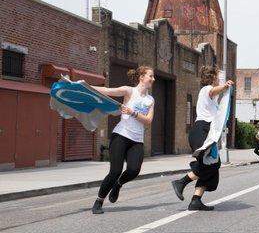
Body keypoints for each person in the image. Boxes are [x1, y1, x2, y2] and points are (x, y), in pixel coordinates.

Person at [90, 66, 155, 214]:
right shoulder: (129, 91)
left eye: (153, 76)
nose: (153, 79)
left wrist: (133, 113)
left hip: (136, 140)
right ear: (141, 77)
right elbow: (108, 91)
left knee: (134, 170)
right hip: (121, 135)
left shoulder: (151, 100)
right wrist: (86, 86)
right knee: (115, 171)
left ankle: (118, 185)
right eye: (150, 76)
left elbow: (148, 120)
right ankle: (98, 202)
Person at [171, 66, 233, 211]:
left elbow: (218, 98)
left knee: (213, 165)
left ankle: (195, 201)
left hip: (208, 132)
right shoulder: (206, 89)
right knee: (208, 164)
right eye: (217, 77)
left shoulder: (213, 100)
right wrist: (224, 86)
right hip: (201, 131)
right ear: (212, 78)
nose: (219, 79)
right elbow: (213, 91)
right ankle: (181, 182)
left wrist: (225, 90)